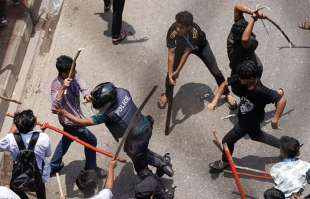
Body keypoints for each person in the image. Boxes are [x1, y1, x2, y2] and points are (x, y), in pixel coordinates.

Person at [52, 82, 174, 177]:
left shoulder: (108, 115)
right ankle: (162, 162)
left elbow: (83, 122)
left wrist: (63, 112)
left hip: (136, 138)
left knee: (141, 167)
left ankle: (162, 169)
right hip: (146, 125)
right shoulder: (123, 92)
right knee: (138, 150)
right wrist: (94, 99)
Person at [208, 60, 287, 172]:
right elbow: (225, 83)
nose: (238, 80)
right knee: (257, 135)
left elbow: (282, 100)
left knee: (227, 140)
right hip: (247, 116)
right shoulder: (243, 77)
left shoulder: (261, 91)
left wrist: (275, 119)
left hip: (249, 122)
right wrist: (215, 101)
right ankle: (288, 148)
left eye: (241, 79)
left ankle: (224, 163)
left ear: (251, 79)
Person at [158, 11, 236, 110]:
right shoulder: (173, 31)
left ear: (189, 27)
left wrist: (178, 71)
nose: (177, 29)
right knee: (171, 73)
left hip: (200, 47)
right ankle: (168, 95)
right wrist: (171, 73)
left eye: (181, 27)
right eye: (177, 25)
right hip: (182, 47)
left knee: (215, 70)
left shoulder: (195, 32)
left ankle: (227, 93)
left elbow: (187, 53)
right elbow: (171, 53)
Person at [50, 55, 100, 177]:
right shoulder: (56, 85)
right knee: (91, 140)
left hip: (75, 116)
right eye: (72, 72)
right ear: (63, 73)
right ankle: (90, 169)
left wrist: (86, 93)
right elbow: (54, 107)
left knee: (66, 140)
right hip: (70, 121)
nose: (75, 73)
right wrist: (63, 88)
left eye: (74, 70)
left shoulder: (73, 75)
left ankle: (53, 166)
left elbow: (80, 81)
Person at [0, 110, 51, 199]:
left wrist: (11, 132)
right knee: (40, 186)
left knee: (14, 187)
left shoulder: (10, 139)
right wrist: (41, 132)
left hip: (20, 172)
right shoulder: (44, 138)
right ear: (34, 124)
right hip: (38, 173)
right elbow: (47, 154)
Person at [227, 3, 266, 78]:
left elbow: (237, 7)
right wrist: (253, 19)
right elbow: (245, 39)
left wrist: (253, 12)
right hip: (244, 68)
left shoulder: (235, 32)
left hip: (238, 62)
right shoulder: (246, 44)